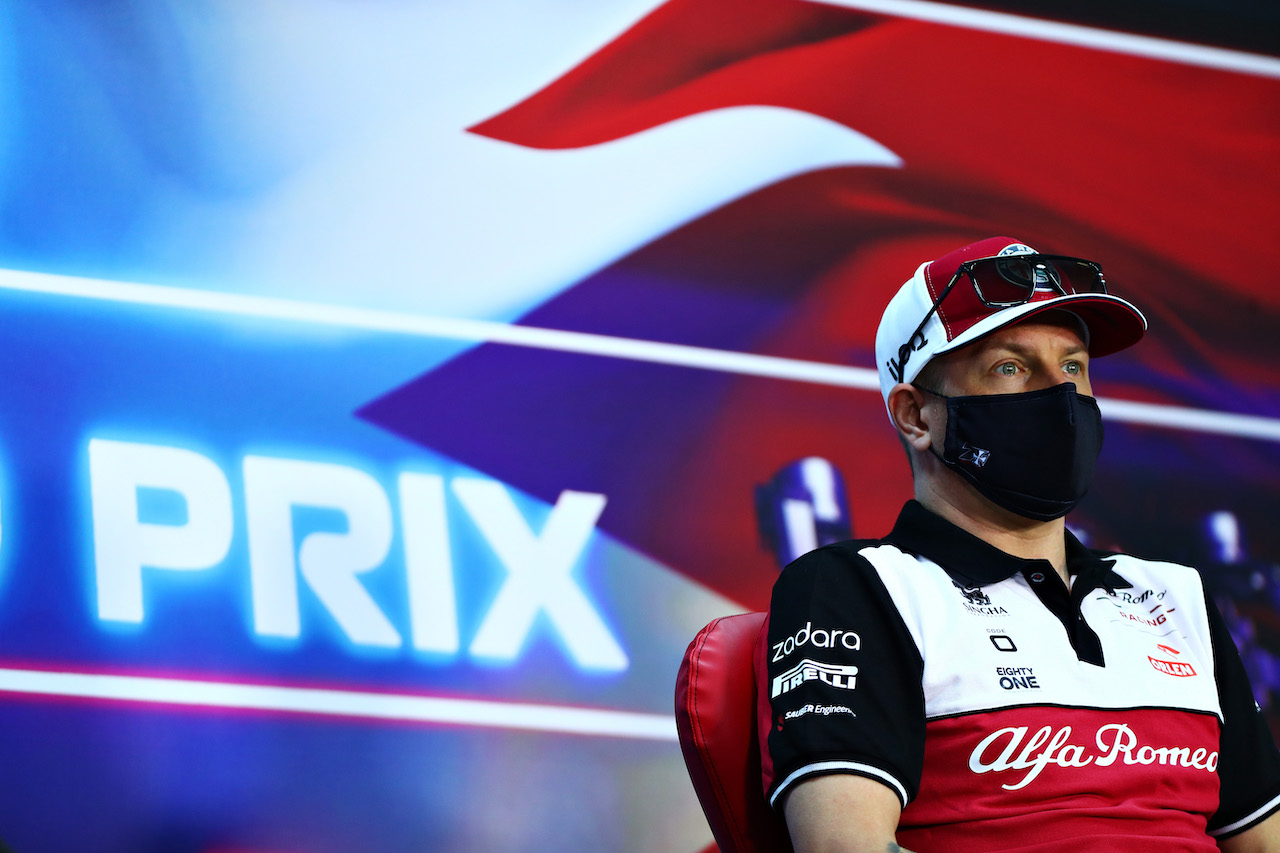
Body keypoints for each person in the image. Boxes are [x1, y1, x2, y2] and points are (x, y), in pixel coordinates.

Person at [758, 236, 1280, 852]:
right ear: (916, 416)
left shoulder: (1176, 593)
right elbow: (845, 847)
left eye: (1073, 366)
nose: (1061, 395)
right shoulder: (858, 588)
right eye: (1010, 367)